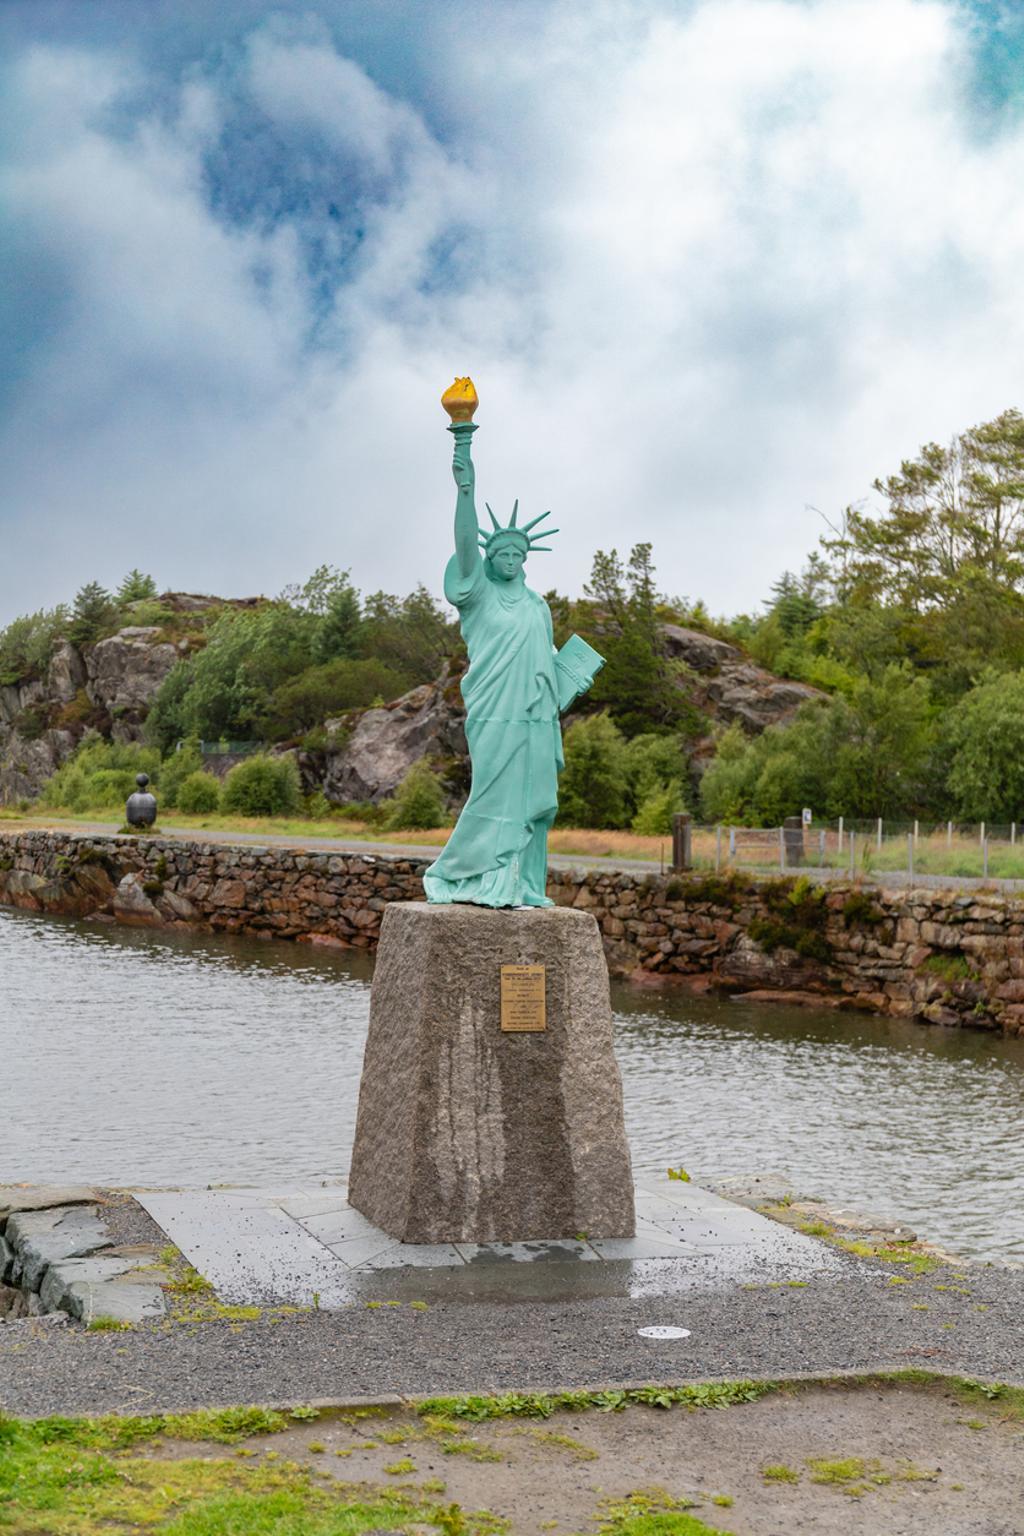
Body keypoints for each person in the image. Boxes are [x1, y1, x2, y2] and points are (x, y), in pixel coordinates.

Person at [423, 426, 562, 908]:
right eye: (499, 553)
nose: (508, 559)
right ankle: (463, 874)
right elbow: (464, 541)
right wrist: (466, 484)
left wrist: (571, 675)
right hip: (492, 707)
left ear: (525, 559)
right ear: (489, 558)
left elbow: (549, 661)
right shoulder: (478, 593)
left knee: (532, 801)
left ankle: (522, 884)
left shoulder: (537, 606)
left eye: (516, 554)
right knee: (492, 796)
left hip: (535, 716)